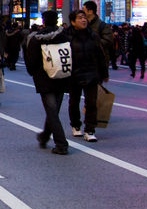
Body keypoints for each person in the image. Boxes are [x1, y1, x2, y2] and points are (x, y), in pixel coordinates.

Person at [25, 10, 71, 155]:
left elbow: (31, 61)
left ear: (43, 21)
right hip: (62, 75)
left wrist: (33, 72)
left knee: (52, 111)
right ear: (57, 20)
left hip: (44, 78)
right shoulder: (64, 36)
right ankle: (45, 136)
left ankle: (61, 144)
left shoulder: (36, 38)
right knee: (54, 110)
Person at [65, 10, 109, 142]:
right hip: (74, 74)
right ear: (73, 22)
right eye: (79, 18)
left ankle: (90, 130)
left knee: (91, 102)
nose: (83, 20)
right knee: (74, 101)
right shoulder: (67, 36)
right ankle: (75, 125)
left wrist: (104, 73)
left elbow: (100, 55)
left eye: (84, 18)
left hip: (91, 73)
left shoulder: (93, 35)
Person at [83, 0, 114, 68]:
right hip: (86, 61)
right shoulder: (84, 25)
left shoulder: (102, 25)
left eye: (84, 10)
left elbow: (108, 41)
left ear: (90, 11)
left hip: (98, 61)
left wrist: (91, 43)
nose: (82, 13)